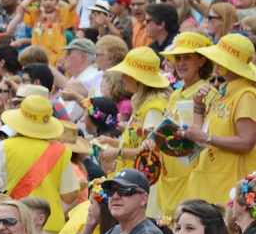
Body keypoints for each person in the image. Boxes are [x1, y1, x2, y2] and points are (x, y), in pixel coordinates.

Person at [182, 35, 256, 206]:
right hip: (210, 180)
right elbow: (201, 131)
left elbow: (246, 142)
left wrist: (206, 138)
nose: (214, 61)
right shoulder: (224, 92)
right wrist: (198, 105)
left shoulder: (246, 95)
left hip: (229, 183)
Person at [0, 94, 79, 234]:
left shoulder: (5, 146)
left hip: (12, 224)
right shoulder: (61, 151)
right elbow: (69, 196)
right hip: (49, 226)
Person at [100, 47, 169, 216]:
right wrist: (114, 143)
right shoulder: (143, 102)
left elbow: (151, 152)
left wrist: (118, 152)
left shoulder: (154, 107)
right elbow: (137, 141)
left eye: (127, 73)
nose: (123, 77)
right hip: (130, 181)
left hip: (140, 185)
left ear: (138, 78)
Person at [154, 32, 213, 220]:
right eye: (177, 58)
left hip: (191, 178)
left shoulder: (207, 93)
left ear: (202, 61)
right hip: (169, 178)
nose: (180, 63)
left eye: (187, 57)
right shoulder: (175, 94)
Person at [74, 169, 171, 234]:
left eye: (124, 191)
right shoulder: (112, 232)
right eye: (111, 191)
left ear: (143, 199)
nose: (115, 196)